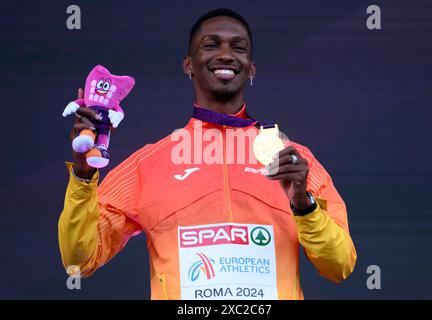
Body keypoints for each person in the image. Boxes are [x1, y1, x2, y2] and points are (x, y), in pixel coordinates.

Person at [58, 8, 357, 300]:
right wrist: (83, 174)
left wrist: (304, 205)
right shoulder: (147, 165)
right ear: (188, 65)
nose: (225, 54)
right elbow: (79, 261)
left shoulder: (293, 161)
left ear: (251, 68)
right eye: (211, 45)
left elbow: (340, 265)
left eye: (238, 47)